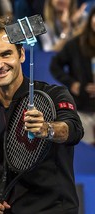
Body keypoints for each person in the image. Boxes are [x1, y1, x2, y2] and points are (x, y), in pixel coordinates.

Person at [0, 17, 84, 214]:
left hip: (54, 210)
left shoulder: (55, 94)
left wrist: (47, 128)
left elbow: (73, 129)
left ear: (21, 54)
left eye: (6, 54)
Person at [50, 5, 95, 146]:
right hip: (82, 106)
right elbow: (55, 65)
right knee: (86, 150)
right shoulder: (75, 44)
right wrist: (72, 83)